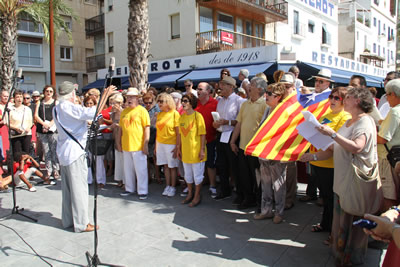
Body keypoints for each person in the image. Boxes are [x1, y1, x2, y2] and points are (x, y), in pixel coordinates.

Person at [300, 87, 379, 266]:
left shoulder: (364, 122)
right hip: (344, 181)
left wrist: (332, 134)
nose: (342, 100)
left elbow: (357, 147)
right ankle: (340, 254)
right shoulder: (351, 121)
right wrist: (313, 156)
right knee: (342, 219)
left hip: (355, 182)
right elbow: (335, 148)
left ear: (357, 101)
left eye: (347, 98)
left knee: (352, 221)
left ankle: (349, 258)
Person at [53, 81, 115, 232]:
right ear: (72, 94)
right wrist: (105, 95)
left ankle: (68, 220)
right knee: (79, 190)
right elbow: (92, 113)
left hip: (64, 153)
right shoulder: (69, 107)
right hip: (74, 153)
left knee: (67, 190)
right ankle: (81, 223)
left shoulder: (56, 108)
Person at [307, 87, 351, 239]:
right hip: (318, 162)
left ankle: (333, 231)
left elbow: (337, 143)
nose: (332, 100)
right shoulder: (327, 114)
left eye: (336, 98)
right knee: (325, 198)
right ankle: (326, 225)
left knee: (332, 200)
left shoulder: (345, 117)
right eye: (331, 96)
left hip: (331, 164)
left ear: (344, 101)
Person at [230, 77, 267, 210]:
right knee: (244, 175)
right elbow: (239, 124)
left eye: (251, 85)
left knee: (257, 177)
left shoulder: (265, 105)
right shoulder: (245, 104)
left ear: (260, 89)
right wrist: (233, 141)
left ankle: (260, 201)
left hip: (256, 149)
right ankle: (248, 198)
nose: (248, 87)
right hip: (242, 147)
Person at [300, 68, 334, 202]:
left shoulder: (330, 96)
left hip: (323, 134)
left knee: (320, 165)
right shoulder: (313, 95)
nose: (317, 83)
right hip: (310, 134)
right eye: (316, 80)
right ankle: (312, 192)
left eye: (321, 81)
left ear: (327, 83)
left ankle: (322, 195)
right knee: (312, 166)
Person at [213, 76, 246, 200]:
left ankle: (239, 192)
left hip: (233, 135)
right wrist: (216, 123)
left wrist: (227, 122)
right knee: (222, 164)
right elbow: (218, 118)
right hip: (221, 135)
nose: (221, 87)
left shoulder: (239, 101)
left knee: (235, 165)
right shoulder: (220, 101)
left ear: (231, 87)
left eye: (224, 85)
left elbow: (240, 121)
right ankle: (224, 190)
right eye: (220, 84)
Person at [119, 87, 150, 200]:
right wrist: (119, 142)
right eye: (128, 97)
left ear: (137, 98)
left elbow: (147, 128)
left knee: (141, 169)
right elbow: (121, 129)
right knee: (127, 169)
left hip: (138, 145)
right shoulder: (124, 112)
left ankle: (142, 191)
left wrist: (145, 144)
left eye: (132, 97)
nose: (129, 99)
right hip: (126, 145)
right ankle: (129, 188)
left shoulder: (142, 111)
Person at [178, 93, 206, 207]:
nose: (183, 103)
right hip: (186, 152)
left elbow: (202, 134)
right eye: (182, 101)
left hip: (196, 152)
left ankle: (197, 196)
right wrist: (178, 149)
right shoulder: (182, 117)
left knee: (197, 176)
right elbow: (180, 134)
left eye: (185, 101)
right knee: (188, 176)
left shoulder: (198, 116)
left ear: (191, 103)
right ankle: (190, 194)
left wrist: (202, 150)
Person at [377, 79, 400, 209]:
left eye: (387, 94)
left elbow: (383, 138)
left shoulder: (395, 111)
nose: (386, 98)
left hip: (389, 158)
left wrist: (368, 135)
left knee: (389, 196)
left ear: (393, 95)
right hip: (396, 158)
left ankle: (388, 227)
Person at [195, 82, 218, 198]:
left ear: (208, 91)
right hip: (196, 141)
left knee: (210, 164)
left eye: (200, 89)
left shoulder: (216, 103)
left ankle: (212, 186)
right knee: (199, 163)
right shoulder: (195, 104)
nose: (198, 91)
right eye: (197, 89)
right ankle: (203, 182)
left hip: (211, 139)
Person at [155, 93, 180, 197]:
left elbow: (178, 132)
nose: (159, 103)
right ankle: (168, 185)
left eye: (161, 101)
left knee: (172, 167)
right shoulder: (159, 114)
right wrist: (156, 147)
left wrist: (177, 147)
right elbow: (157, 132)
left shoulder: (175, 114)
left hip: (171, 144)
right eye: (158, 101)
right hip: (160, 143)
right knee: (165, 166)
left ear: (168, 102)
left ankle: (173, 186)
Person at [34, 85, 59, 180]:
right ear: (44, 92)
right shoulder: (39, 102)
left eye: (51, 91)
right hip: (42, 129)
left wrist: (50, 124)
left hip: (52, 129)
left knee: (54, 150)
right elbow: (36, 115)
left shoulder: (55, 102)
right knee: (46, 150)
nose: (48, 93)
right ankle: (48, 170)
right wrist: (44, 124)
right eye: (47, 91)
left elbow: (57, 115)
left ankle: (56, 169)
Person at [6, 90, 33, 155]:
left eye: (21, 97)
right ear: (14, 98)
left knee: (26, 154)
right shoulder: (9, 109)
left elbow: (31, 121)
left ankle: (25, 165)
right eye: (17, 97)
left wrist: (28, 128)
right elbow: (7, 122)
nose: (19, 99)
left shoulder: (27, 109)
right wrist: (16, 128)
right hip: (15, 134)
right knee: (17, 154)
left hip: (26, 134)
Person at [143, 92, 161, 184]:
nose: (148, 105)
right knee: (146, 158)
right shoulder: (142, 110)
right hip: (146, 136)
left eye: (150, 102)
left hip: (155, 135)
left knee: (155, 158)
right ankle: (148, 176)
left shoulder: (157, 109)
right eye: (146, 103)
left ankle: (158, 177)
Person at [109, 93, 125, 187]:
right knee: (118, 160)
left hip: (123, 138)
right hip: (115, 137)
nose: (112, 105)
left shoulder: (124, 113)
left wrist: (118, 125)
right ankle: (119, 179)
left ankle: (125, 180)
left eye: (114, 103)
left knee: (124, 160)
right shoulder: (113, 113)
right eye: (111, 103)